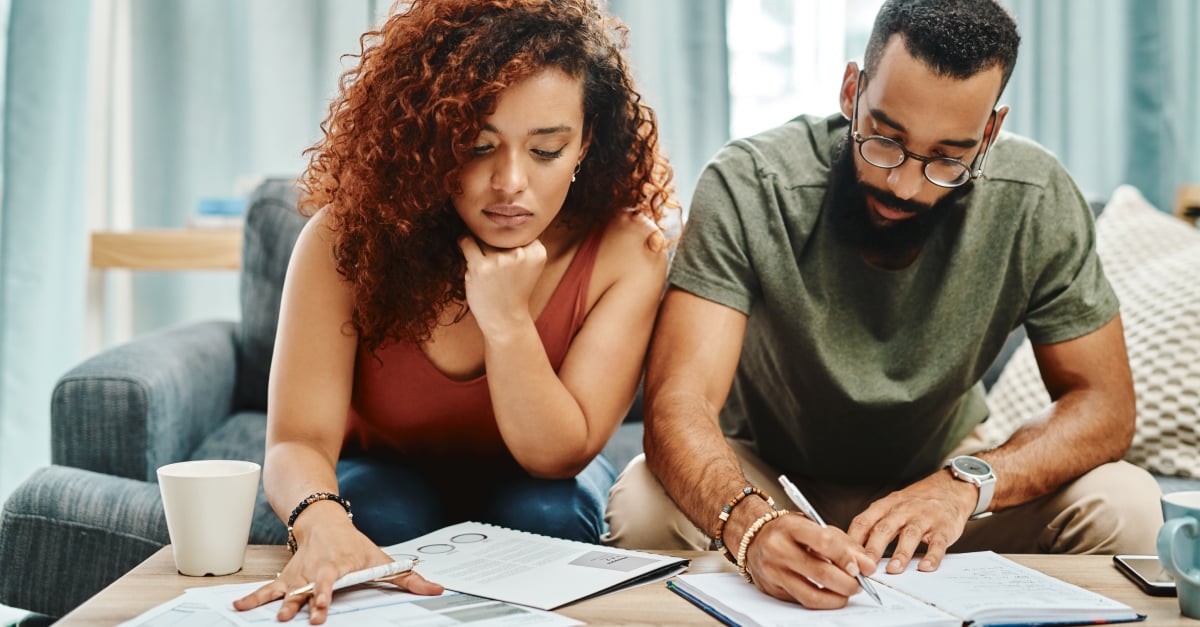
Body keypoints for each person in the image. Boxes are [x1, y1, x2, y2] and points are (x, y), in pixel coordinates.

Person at [604, 0, 1163, 610]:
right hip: (771, 477)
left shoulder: (1037, 198)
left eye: (948, 158)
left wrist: (962, 486)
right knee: (642, 506)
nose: (904, 184)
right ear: (852, 91)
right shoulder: (750, 183)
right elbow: (676, 402)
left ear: (991, 133)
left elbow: (1104, 404)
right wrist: (750, 526)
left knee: (1126, 502)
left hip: (944, 483)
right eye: (886, 139)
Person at [233, 0, 677, 622]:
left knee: (544, 516)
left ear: (585, 144)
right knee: (381, 514)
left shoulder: (628, 250)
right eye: (476, 146)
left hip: (543, 481)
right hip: (383, 476)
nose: (510, 182)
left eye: (546, 149)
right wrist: (320, 521)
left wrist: (506, 319)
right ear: (428, 138)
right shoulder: (345, 238)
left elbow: (557, 457)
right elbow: (296, 441)